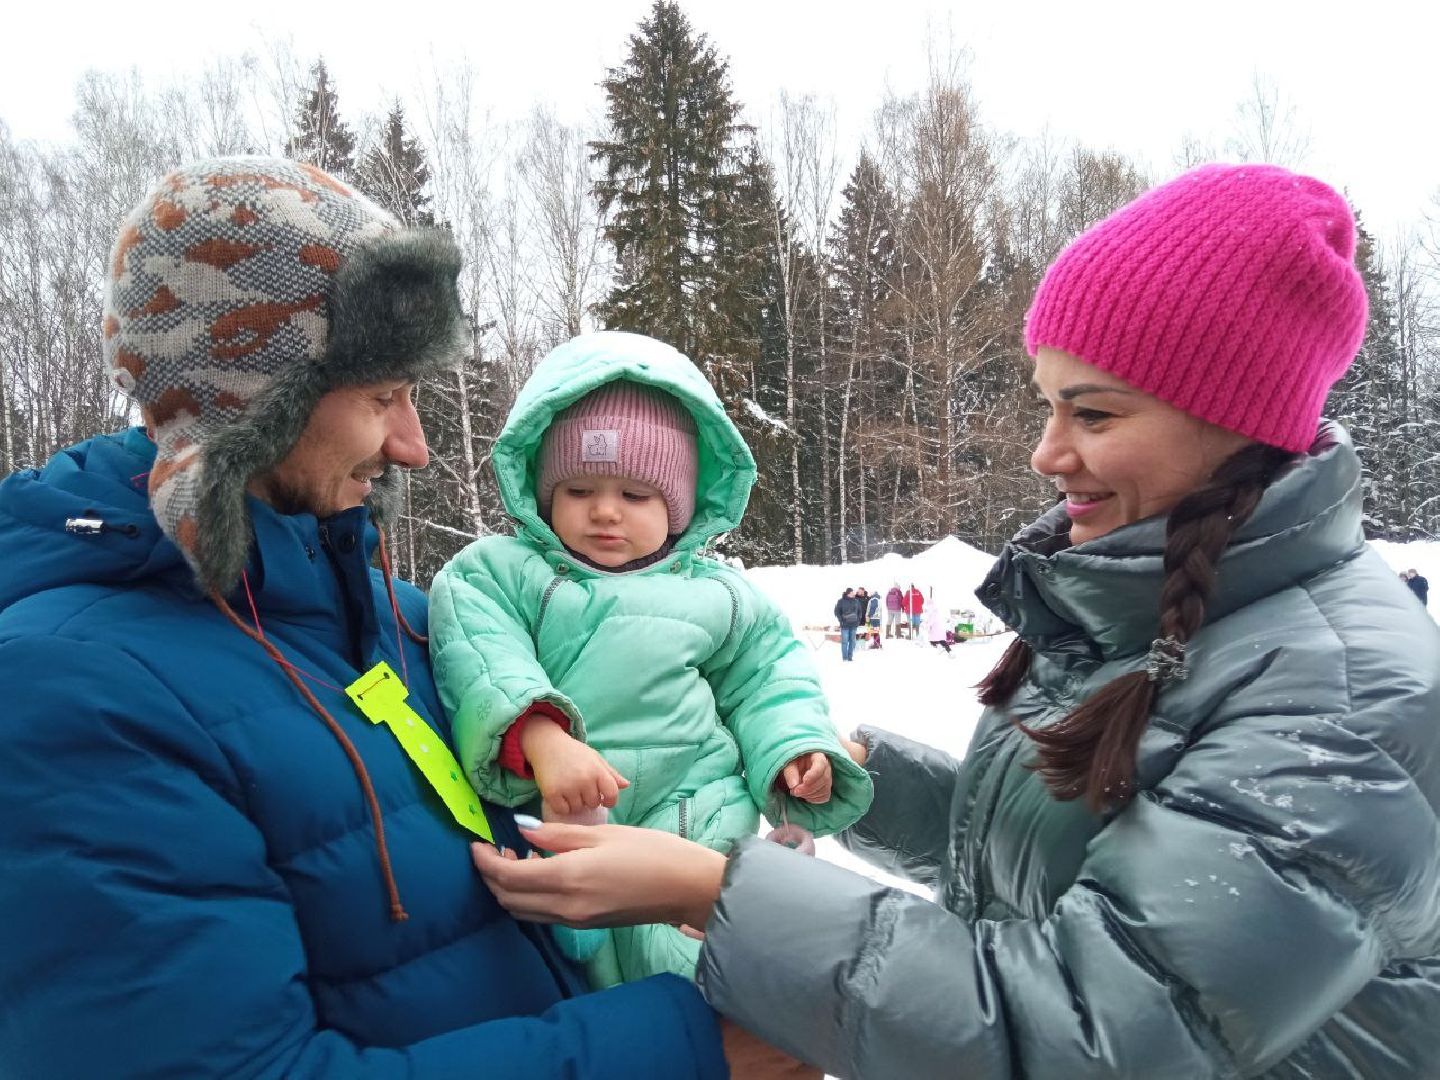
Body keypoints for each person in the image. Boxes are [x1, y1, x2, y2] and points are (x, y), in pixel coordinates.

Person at [472, 164, 1440, 1077]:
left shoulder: (1340, 700)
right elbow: (1060, 868)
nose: (1046, 453)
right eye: (1047, 406)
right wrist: (868, 776)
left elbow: (1092, 1029)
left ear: (1240, 414)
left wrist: (719, 890)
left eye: (1093, 414)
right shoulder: (1137, 608)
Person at [0, 158, 805, 1077]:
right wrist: (696, 1051)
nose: (414, 445)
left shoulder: (397, 621)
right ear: (253, 403)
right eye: (384, 396)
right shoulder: (68, 697)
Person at [428, 331, 871, 986]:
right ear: (544, 492)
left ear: (681, 503)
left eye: (636, 496)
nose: (606, 511)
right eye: (579, 490)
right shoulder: (502, 571)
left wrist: (796, 749)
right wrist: (543, 739)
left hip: (694, 798)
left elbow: (769, 679)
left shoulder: (717, 592)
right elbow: (481, 652)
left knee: (699, 962)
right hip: (565, 800)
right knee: (575, 965)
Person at [833, 586, 863, 660]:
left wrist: (858, 621)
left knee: (852, 642)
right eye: (852, 592)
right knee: (845, 642)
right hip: (845, 625)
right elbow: (837, 612)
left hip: (854, 625)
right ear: (848, 593)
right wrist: (841, 620)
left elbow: (860, 612)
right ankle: (845, 658)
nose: (854, 593)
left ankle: (850, 657)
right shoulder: (841, 601)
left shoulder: (856, 601)